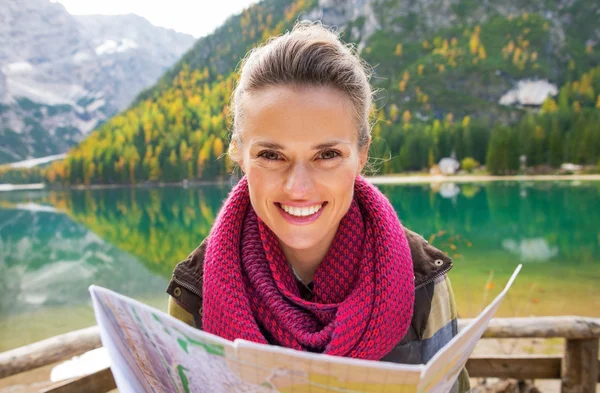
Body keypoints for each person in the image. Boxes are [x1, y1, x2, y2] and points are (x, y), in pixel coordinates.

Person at [166, 21, 469, 392]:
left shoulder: (422, 280)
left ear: (362, 154)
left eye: (327, 154)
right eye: (271, 155)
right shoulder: (196, 291)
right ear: (238, 154)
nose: (298, 187)